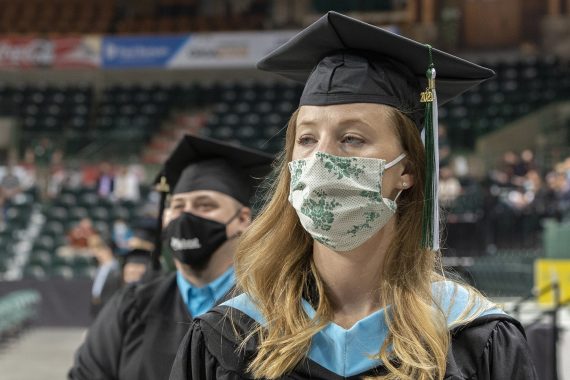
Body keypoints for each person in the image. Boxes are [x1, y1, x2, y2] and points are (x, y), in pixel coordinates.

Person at [170, 12, 538, 380]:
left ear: (407, 171)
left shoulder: (472, 338)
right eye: (307, 139)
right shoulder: (231, 336)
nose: (322, 159)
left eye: (352, 139)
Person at [69, 135, 273, 380]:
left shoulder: (270, 311)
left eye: (204, 205)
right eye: (177, 206)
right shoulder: (132, 307)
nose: (185, 216)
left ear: (242, 220)